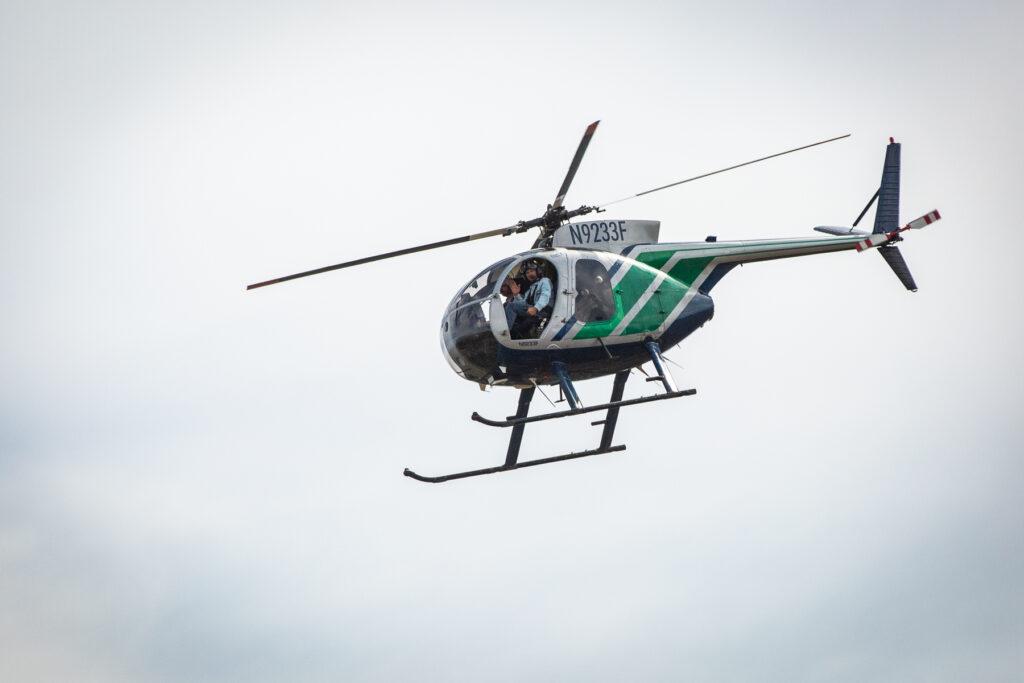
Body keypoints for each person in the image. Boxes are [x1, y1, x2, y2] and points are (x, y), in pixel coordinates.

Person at [510, 261, 553, 339]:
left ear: (538, 271)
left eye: (532, 271)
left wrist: (536, 308)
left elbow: (545, 296)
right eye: (527, 273)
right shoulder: (531, 287)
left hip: (544, 311)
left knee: (511, 306)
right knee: (509, 304)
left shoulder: (545, 281)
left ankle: (505, 332)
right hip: (533, 310)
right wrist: (516, 294)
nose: (529, 274)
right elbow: (523, 303)